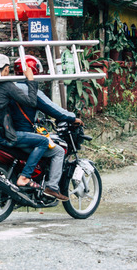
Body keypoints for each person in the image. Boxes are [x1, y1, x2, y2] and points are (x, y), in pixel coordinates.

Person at [9, 55, 84, 201]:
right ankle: (52, 187)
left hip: (6, 133)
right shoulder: (32, 91)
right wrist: (73, 118)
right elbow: (54, 110)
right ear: (33, 71)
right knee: (57, 151)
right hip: (23, 135)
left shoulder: (7, 87)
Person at [0, 54, 49, 189]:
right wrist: (31, 80)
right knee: (43, 141)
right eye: (7, 70)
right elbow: (32, 102)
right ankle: (25, 177)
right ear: (5, 69)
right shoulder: (6, 86)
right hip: (2, 134)